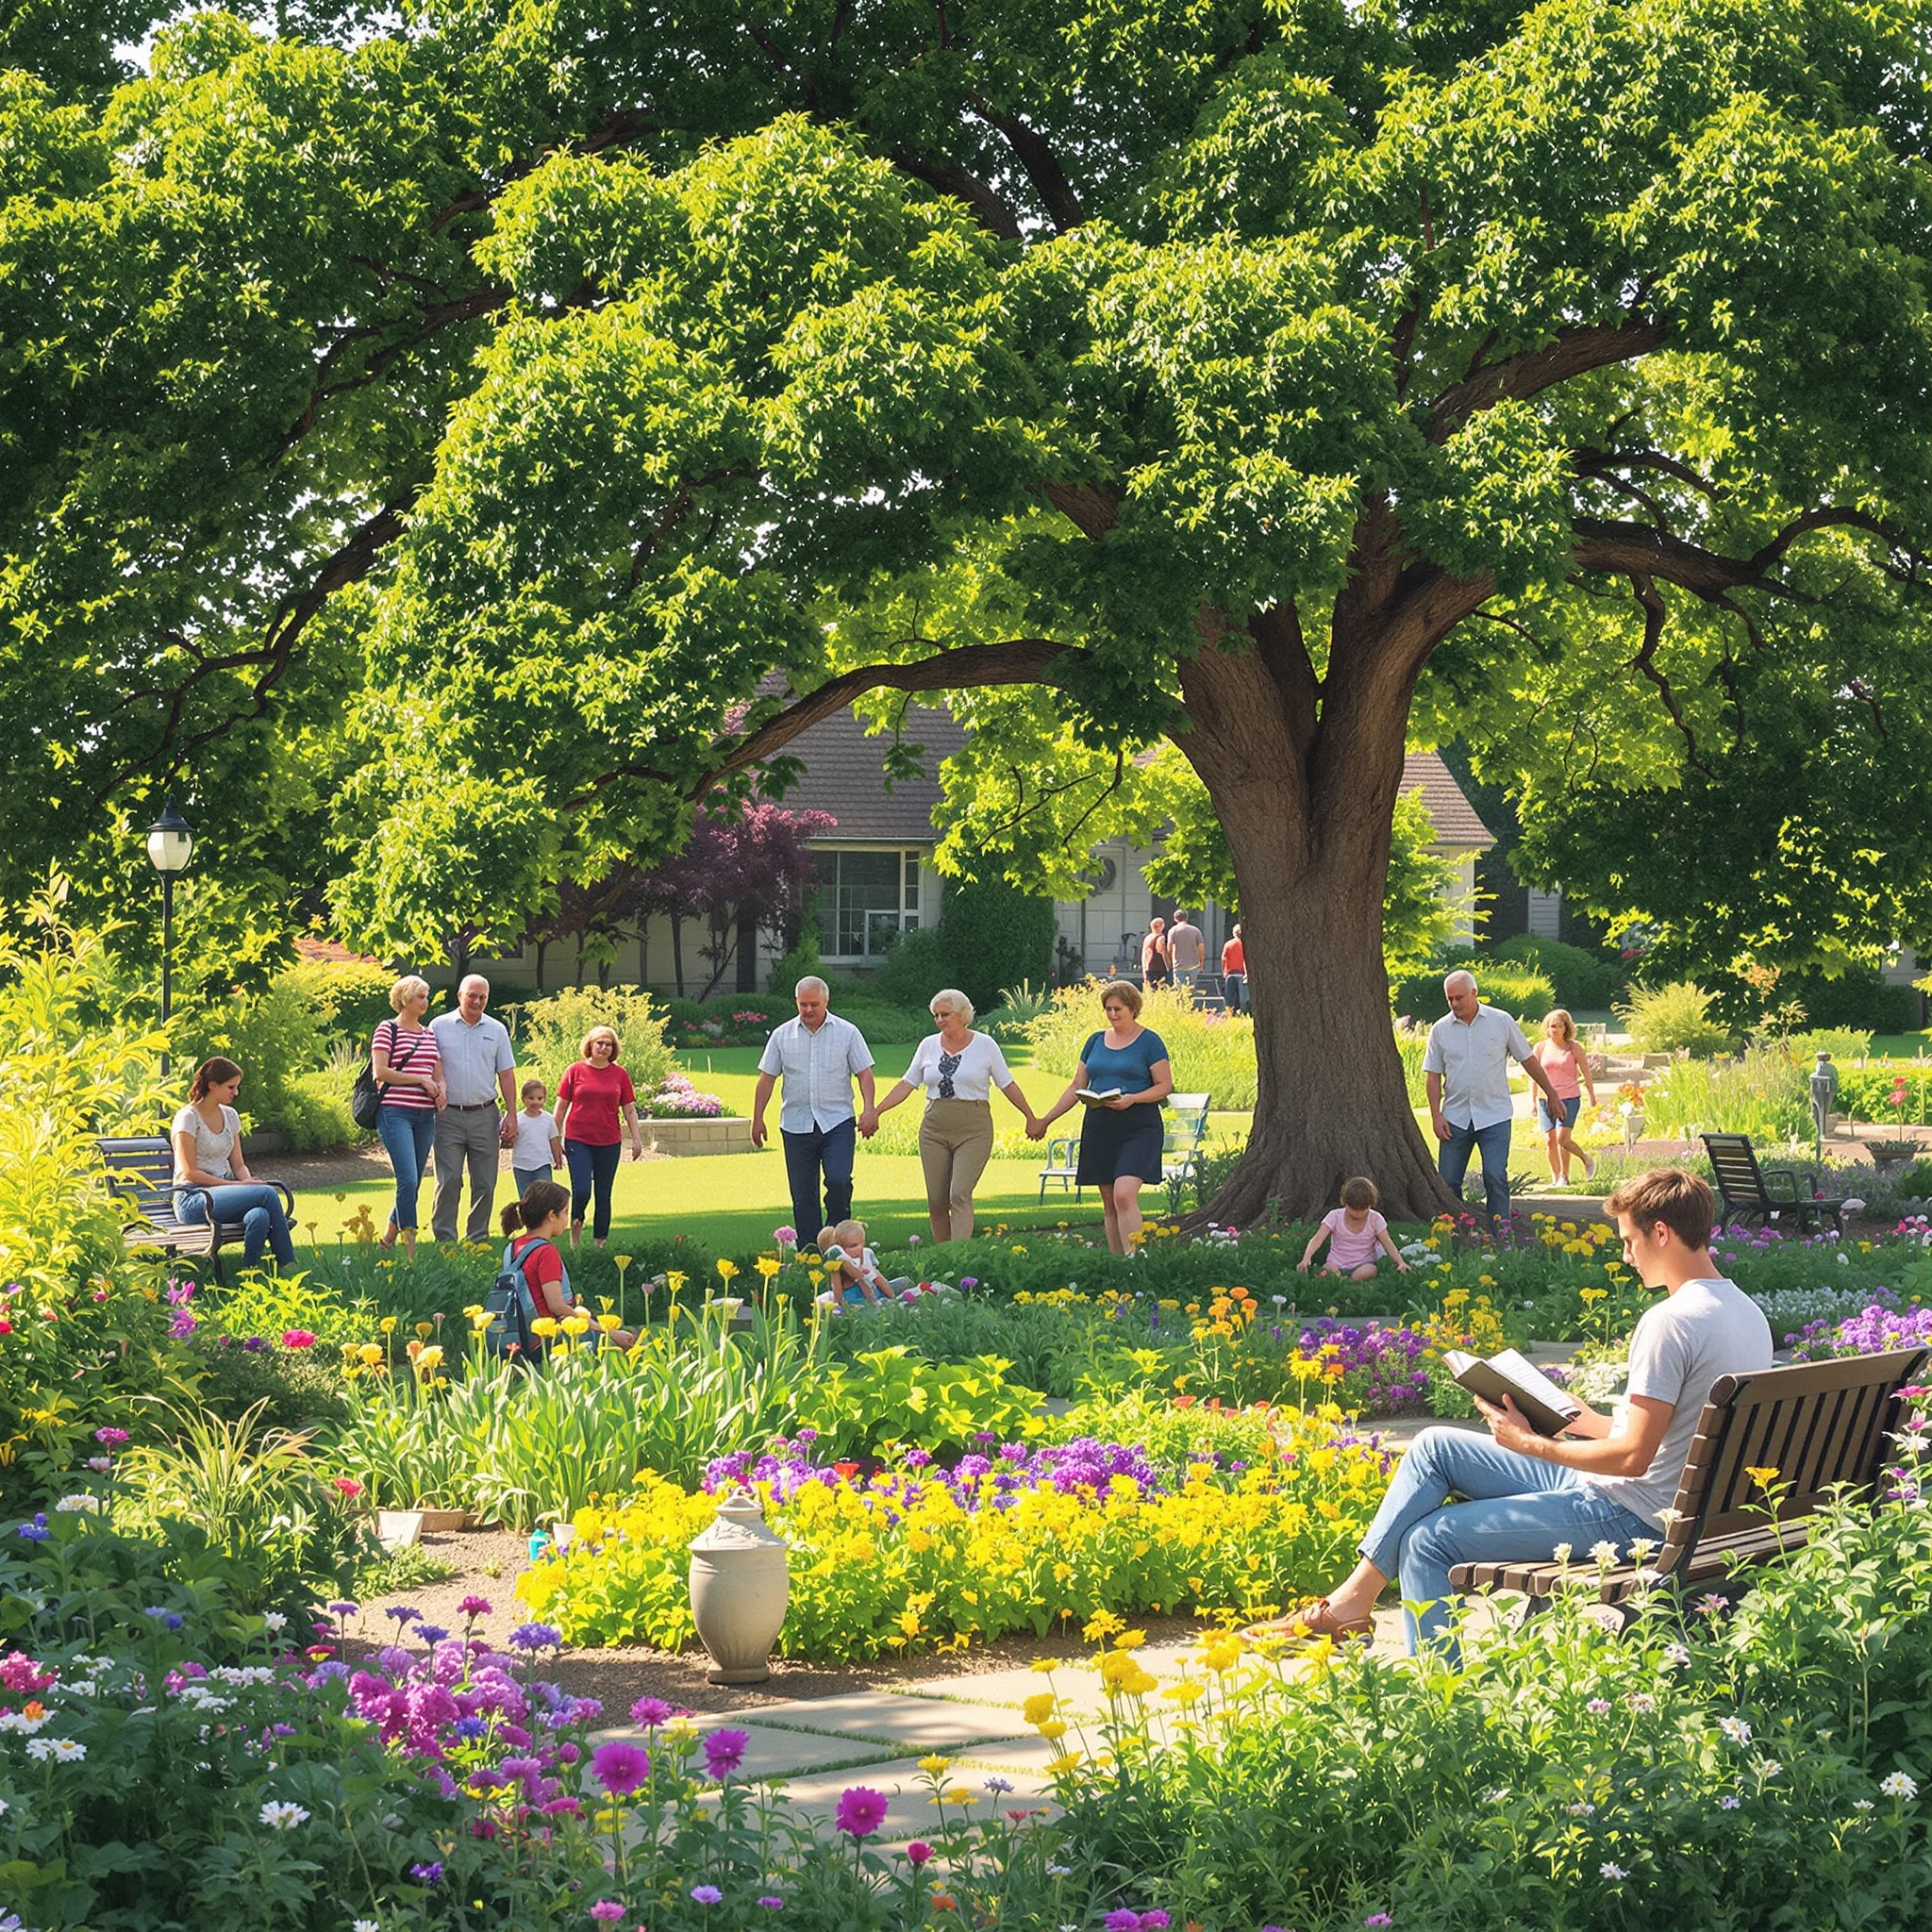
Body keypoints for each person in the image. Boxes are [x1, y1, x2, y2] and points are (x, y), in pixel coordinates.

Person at [1257, 1168, 1773, 1659]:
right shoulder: (1746, 1314)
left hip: (1629, 1515)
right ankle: (1351, 1602)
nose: (1626, 1255)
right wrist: (1575, 1417)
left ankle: (1439, 1697)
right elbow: (1667, 1436)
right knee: (1436, 1445)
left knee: (1428, 1541)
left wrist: (1531, 1443)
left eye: (1628, 1241)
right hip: (1682, 1508)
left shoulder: (1669, 1322)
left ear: (1660, 1233)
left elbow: (1634, 1458)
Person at [865, 990, 1040, 1242]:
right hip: (934, 1126)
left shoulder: (985, 1045)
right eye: (936, 1015)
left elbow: (1007, 1084)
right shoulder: (928, 1045)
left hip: (973, 1127)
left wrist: (1030, 1117)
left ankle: (960, 1255)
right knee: (937, 1200)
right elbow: (907, 1083)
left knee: (959, 1194)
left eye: (945, 1014)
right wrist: (877, 1111)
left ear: (962, 1015)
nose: (939, 1020)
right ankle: (942, 1256)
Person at [1032, 979, 1174, 1256]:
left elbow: (1164, 1086)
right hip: (1100, 1124)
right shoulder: (1096, 1041)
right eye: (1107, 1009)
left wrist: (1133, 1098)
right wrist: (1046, 1119)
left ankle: (1136, 1259)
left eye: (1118, 1009)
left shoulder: (1149, 1042)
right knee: (1109, 1202)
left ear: (1133, 1009)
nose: (1112, 1014)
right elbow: (1077, 1085)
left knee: (1124, 1193)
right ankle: (1117, 1261)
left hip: (1138, 1124)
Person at [1424, 969, 1561, 1234]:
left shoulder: (1501, 1021)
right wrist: (1435, 1115)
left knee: (1495, 1176)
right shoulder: (1440, 1030)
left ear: (1474, 993)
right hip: (1455, 1117)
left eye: (1459, 998)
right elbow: (1433, 1076)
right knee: (1449, 1181)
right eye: (1450, 999)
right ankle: (1455, 1235)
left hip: (1494, 1116)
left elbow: (1528, 1060)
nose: (1454, 1004)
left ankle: (1502, 1234)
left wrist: (1551, 1094)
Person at [752, 977, 876, 1246]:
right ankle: (810, 1251)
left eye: (814, 1005)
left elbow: (864, 1073)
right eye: (803, 1005)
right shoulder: (782, 1035)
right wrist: (758, 1118)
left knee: (839, 1180)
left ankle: (838, 1240)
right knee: (803, 1194)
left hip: (837, 1121)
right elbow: (766, 1079)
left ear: (826, 1002)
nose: (808, 1010)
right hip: (796, 1124)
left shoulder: (847, 1032)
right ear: (796, 1002)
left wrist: (869, 1110)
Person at [170, 1057, 295, 1272]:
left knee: (260, 1215)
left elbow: (238, 1165)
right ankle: (288, 1263)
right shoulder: (187, 1118)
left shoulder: (230, 1116)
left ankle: (249, 1273)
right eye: (231, 1087)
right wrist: (238, 1187)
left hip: (223, 1194)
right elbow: (190, 1173)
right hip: (193, 1198)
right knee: (267, 1194)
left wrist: (246, 1181)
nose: (235, 1093)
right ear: (212, 1085)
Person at [429, 974, 518, 1244]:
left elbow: (506, 1074)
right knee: (449, 1180)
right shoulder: (438, 1026)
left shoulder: (497, 1029)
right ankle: (445, 1240)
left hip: (485, 1114)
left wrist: (512, 1112)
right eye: (472, 996)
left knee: (485, 1183)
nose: (477, 1001)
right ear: (460, 996)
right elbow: (430, 1068)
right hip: (448, 1116)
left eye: (482, 997)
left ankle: (477, 1239)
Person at [499, 1181, 635, 1348]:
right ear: (551, 1216)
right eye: (565, 1212)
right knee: (623, 1343)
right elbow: (557, 1306)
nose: (567, 1218)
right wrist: (609, 1333)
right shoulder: (546, 1252)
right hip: (550, 1339)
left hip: (521, 1334)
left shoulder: (512, 1248)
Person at [554, 1025, 645, 1248]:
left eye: (608, 1044)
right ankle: (575, 1237)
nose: (603, 1047)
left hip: (609, 1141)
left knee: (603, 1193)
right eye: (599, 1043)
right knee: (582, 1189)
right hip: (578, 1139)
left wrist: (636, 1139)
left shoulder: (620, 1074)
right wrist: (554, 1139)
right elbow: (560, 1108)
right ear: (590, 1045)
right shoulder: (575, 1071)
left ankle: (599, 1243)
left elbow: (629, 1109)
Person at [373, 974, 444, 1257]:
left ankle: (387, 1240)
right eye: (420, 997)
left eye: (426, 996)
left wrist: (442, 1089)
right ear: (404, 999)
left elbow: (437, 1072)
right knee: (408, 1180)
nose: (425, 1002)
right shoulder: (387, 1030)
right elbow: (381, 1072)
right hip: (395, 1112)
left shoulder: (428, 1034)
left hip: (425, 1115)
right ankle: (410, 1252)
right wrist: (421, 1081)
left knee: (413, 1181)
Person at [1298, 1176, 1413, 1281]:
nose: (1358, 1214)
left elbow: (1387, 1242)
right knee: (1327, 1270)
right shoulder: (1334, 1216)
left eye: (1363, 1209)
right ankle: (1337, 1280)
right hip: (1336, 1262)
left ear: (1371, 1204)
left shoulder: (1375, 1219)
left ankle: (1350, 1281)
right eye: (1353, 1209)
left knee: (1370, 1270)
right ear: (1344, 1202)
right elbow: (1318, 1238)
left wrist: (1400, 1262)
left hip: (1363, 1264)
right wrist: (1306, 1258)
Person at [1530, 1008, 1597, 1185]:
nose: (1555, 1030)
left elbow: (1586, 1072)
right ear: (1547, 1028)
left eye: (1559, 1026)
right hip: (1545, 1099)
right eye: (1552, 1026)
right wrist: (1533, 1100)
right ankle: (1556, 1177)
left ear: (1566, 1028)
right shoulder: (1540, 1047)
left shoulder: (1574, 1048)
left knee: (1562, 1138)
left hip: (1569, 1097)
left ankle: (1583, 1161)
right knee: (1550, 1139)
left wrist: (1592, 1095)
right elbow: (1534, 1075)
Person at [817, 1218, 892, 1307]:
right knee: (862, 1306)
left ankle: (888, 1303)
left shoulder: (865, 1254)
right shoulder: (839, 1261)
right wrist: (838, 1305)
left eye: (861, 1244)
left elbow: (878, 1278)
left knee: (903, 1283)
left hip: (872, 1290)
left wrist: (892, 1297)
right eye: (853, 1246)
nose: (860, 1248)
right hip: (853, 1295)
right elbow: (837, 1291)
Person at [511, 1077, 563, 1196]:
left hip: (542, 1163)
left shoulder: (548, 1119)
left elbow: (554, 1139)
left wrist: (558, 1158)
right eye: (531, 1098)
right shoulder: (518, 1119)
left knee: (544, 1195)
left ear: (544, 1099)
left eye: (540, 1098)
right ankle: (526, 1215)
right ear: (523, 1099)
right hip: (521, 1164)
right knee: (525, 1196)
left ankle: (544, 1215)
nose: (536, 1102)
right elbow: (510, 1140)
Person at [1166, 912, 1205, 990]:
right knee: (1192, 991)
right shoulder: (1195, 930)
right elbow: (1201, 947)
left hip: (1179, 965)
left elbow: (1169, 948)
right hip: (1194, 965)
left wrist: (1169, 962)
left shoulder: (1173, 931)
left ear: (1175, 919)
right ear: (1186, 918)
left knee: (1180, 991)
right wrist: (1201, 963)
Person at [1220, 924, 1246, 1012]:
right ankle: (1242, 1011)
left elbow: (1224, 959)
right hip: (1242, 973)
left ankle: (1230, 1012)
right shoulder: (1245, 944)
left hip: (1231, 973)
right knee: (1242, 996)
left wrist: (1224, 971)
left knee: (1230, 995)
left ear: (1233, 933)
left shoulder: (1228, 944)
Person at [1140, 916, 1170, 989]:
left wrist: (1144, 968)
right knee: (1161, 990)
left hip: (1148, 967)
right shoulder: (1161, 937)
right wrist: (1169, 966)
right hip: (1159, 967)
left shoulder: (1147, 938)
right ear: (1160, 926)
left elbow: (1144, 954)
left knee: (1150, 990)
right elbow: (1162, 952)